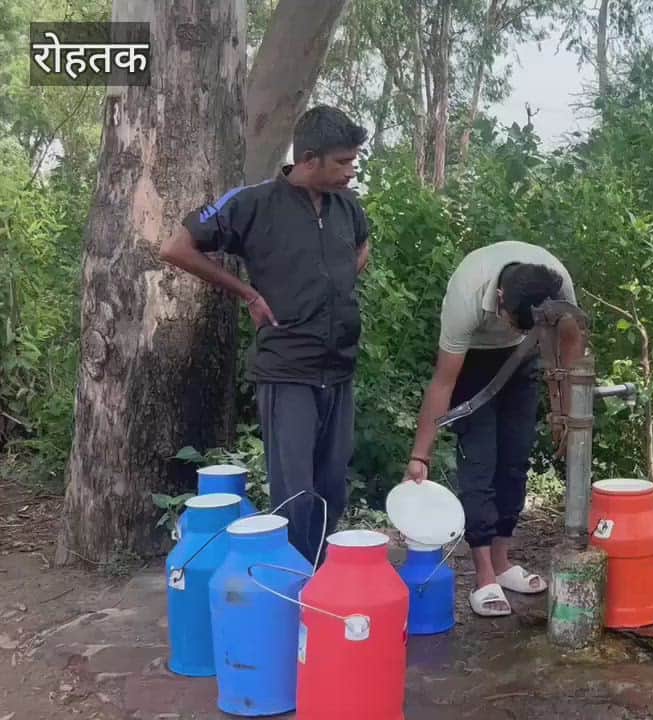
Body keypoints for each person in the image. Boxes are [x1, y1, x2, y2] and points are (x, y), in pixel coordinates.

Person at [159, 105, 371, 565]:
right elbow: (176, 247)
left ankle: (322, 579)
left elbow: (362, 244)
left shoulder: (347, 206)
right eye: (342, 162)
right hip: (287, 369)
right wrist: (248, 294)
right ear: (309, 159)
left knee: (332, 488)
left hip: (339, 368)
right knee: (295, 494)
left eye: (353, 161)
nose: (351, 171)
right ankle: (292, 583)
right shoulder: (253, 203)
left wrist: (336, 286)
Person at [403, 240, 583, 617]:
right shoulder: (467, 293)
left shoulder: (556, 282)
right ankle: (483, 575)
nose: (509, 327)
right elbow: (443, 382)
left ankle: (503, 563)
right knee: (480, 463)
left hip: (523, 356)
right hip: (473, 361)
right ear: (500, 298)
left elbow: (570, 345)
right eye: (511, 320)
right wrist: (420, 455)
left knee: (515, 460)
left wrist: (566, 411)